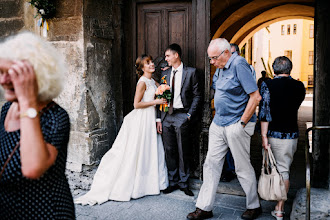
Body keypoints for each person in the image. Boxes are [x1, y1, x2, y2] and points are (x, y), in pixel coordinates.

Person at [74, 54, 168, 205]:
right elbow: (136, 104)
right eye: (148, 63)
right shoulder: (142, 82)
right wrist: (155, 101)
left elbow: (161, 93)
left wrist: (159, 111)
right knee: (137, 150)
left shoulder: (153, 81)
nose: (151, 64)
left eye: (151, 62)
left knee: (149, 149)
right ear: (142, 68)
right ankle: (134, 185)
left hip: (150, 118)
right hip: (141, 119)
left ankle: (150, 184)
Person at [0, 32, 75, 219]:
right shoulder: (7, 108)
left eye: (13, 74)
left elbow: (33, 168)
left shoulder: (55, 117)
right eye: (1, 72)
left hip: (45, 212)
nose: (3, 81)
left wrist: (27, 99)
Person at [187, 38, 262, 220]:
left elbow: (255, 97)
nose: (211, 62)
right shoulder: (220, 68)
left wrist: (242, 124)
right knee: (211, 164)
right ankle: (204, 207)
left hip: (236, 123)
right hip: (218, 123)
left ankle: (254, 205)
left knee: (242, 166)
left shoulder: (239, 64)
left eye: (214, 58)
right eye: (210, 58)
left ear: (226, 53)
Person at [259, 56, 305, 220]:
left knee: (273, 169)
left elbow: (264, 112)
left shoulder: (267, 85)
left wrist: (263, 136)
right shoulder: (299, 86)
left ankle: (275, 204)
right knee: (284, 170)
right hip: (291, 134)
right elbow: (296, 105)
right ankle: (280, 209)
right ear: (290, 69)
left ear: (273, 69)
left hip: (273, 134)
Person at [156, 43, 201, 197]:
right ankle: (172, 182)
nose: (165, 59)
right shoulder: (166, 74)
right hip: (167, 116)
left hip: (182, 116)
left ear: (176, 55)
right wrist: (159, 118)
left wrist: (189, 115)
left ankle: (184, 183)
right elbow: (160, 96)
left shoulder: (191, 72)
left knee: (183, 151)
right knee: (169, 151)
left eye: (168, 55)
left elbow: (197, 96)